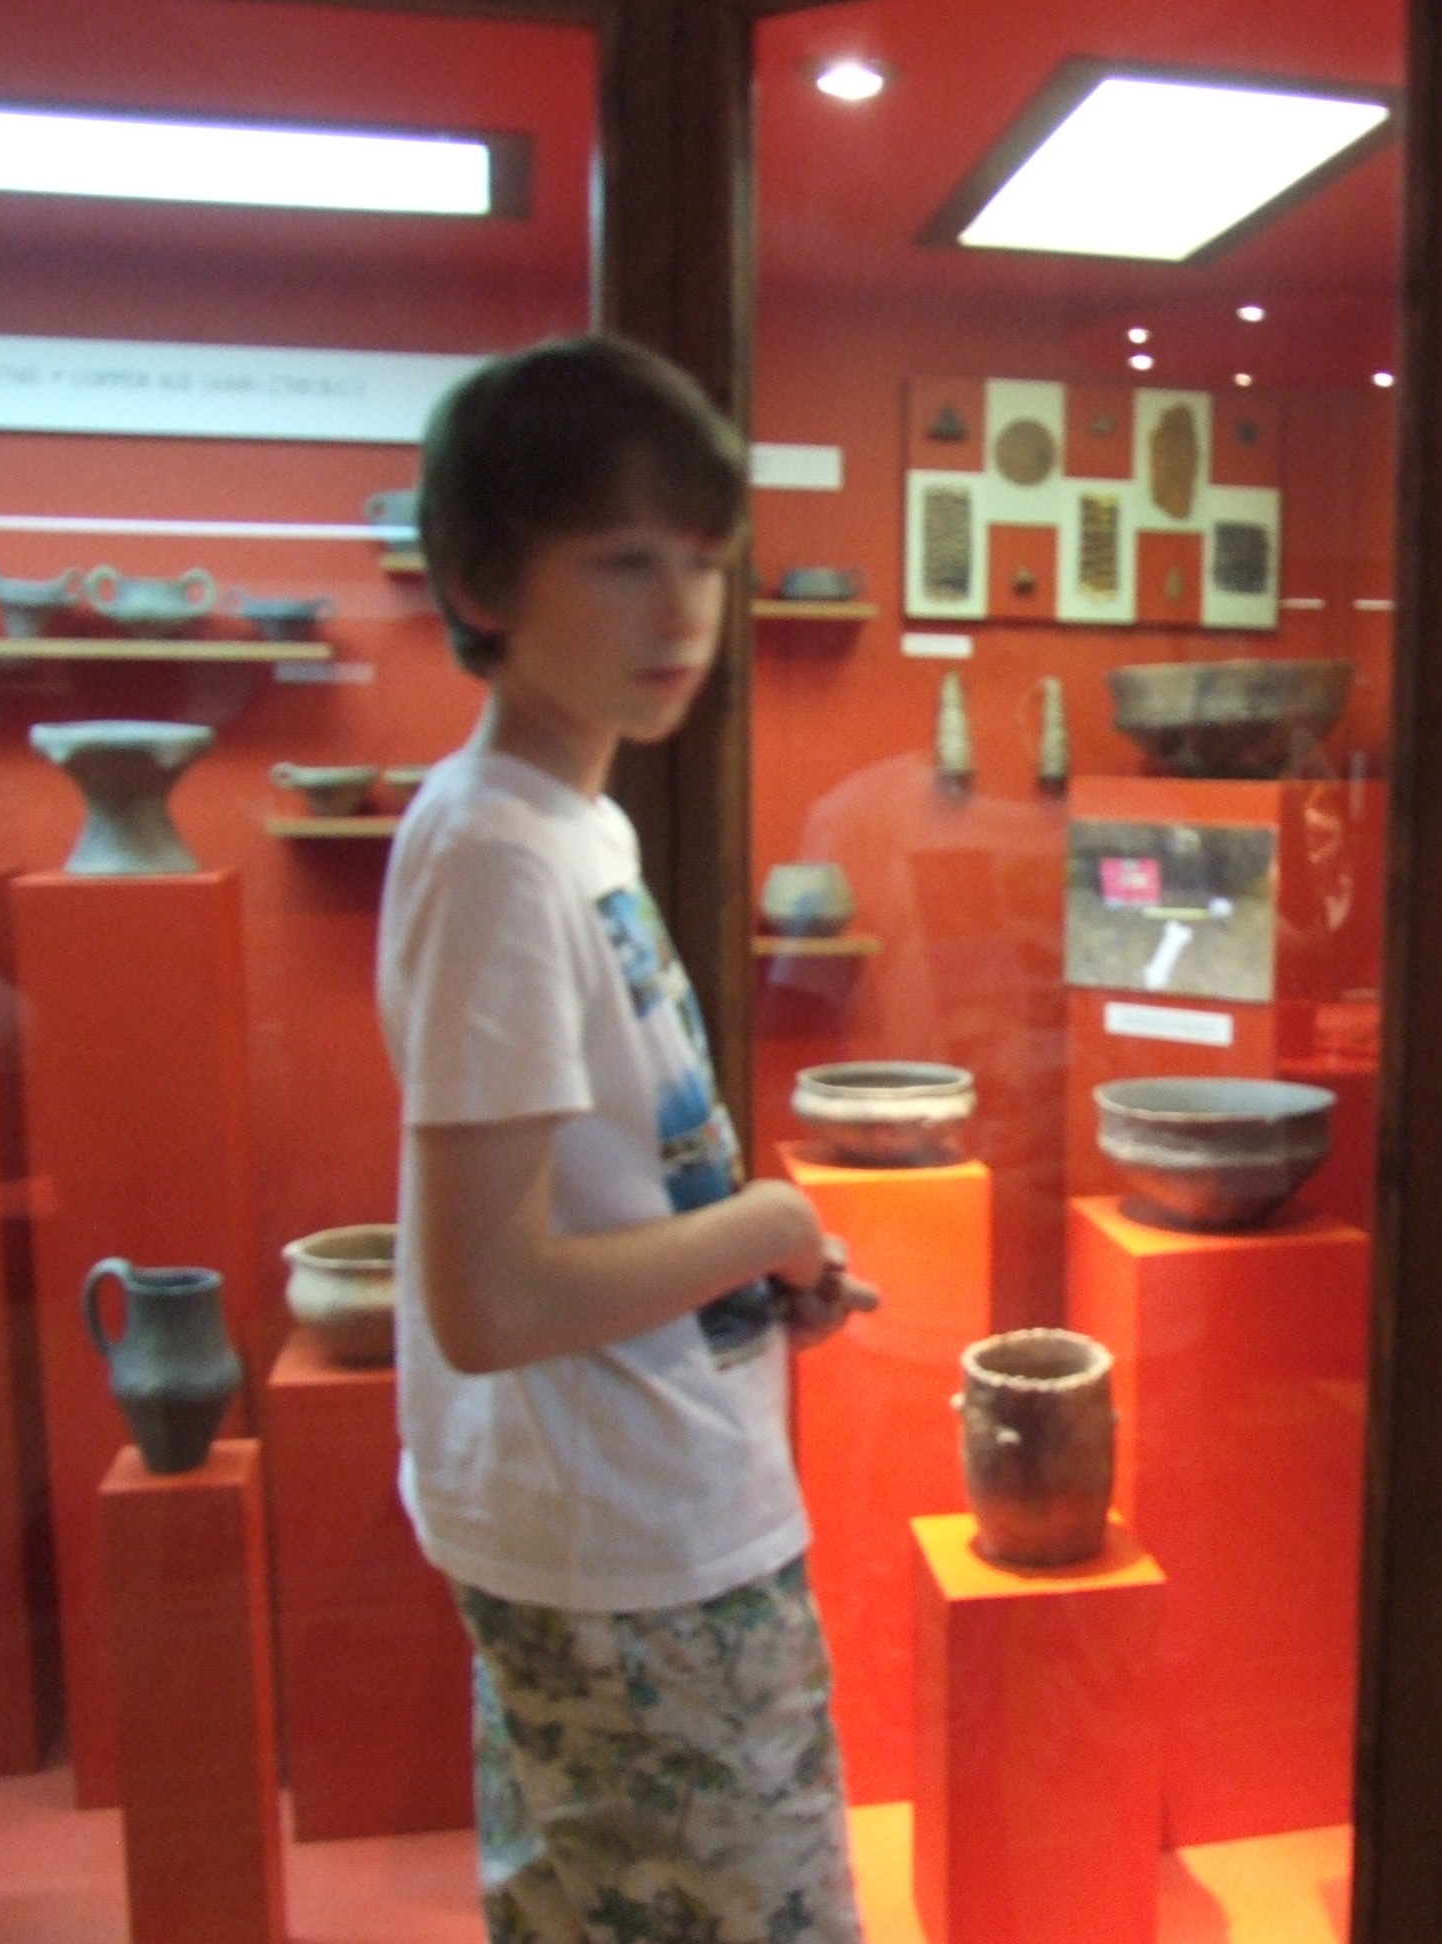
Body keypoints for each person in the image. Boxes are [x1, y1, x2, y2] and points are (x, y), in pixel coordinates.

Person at [377, 333, 874, 1943]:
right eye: (622, 562)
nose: (681, 614)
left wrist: (743, 1275)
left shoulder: (565, 820)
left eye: (705, 564)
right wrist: (766, 1228)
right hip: (629, 1541)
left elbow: (599, 1203)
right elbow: (492, 1298)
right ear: (482, 579)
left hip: (631, 1500)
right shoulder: (501, 855)